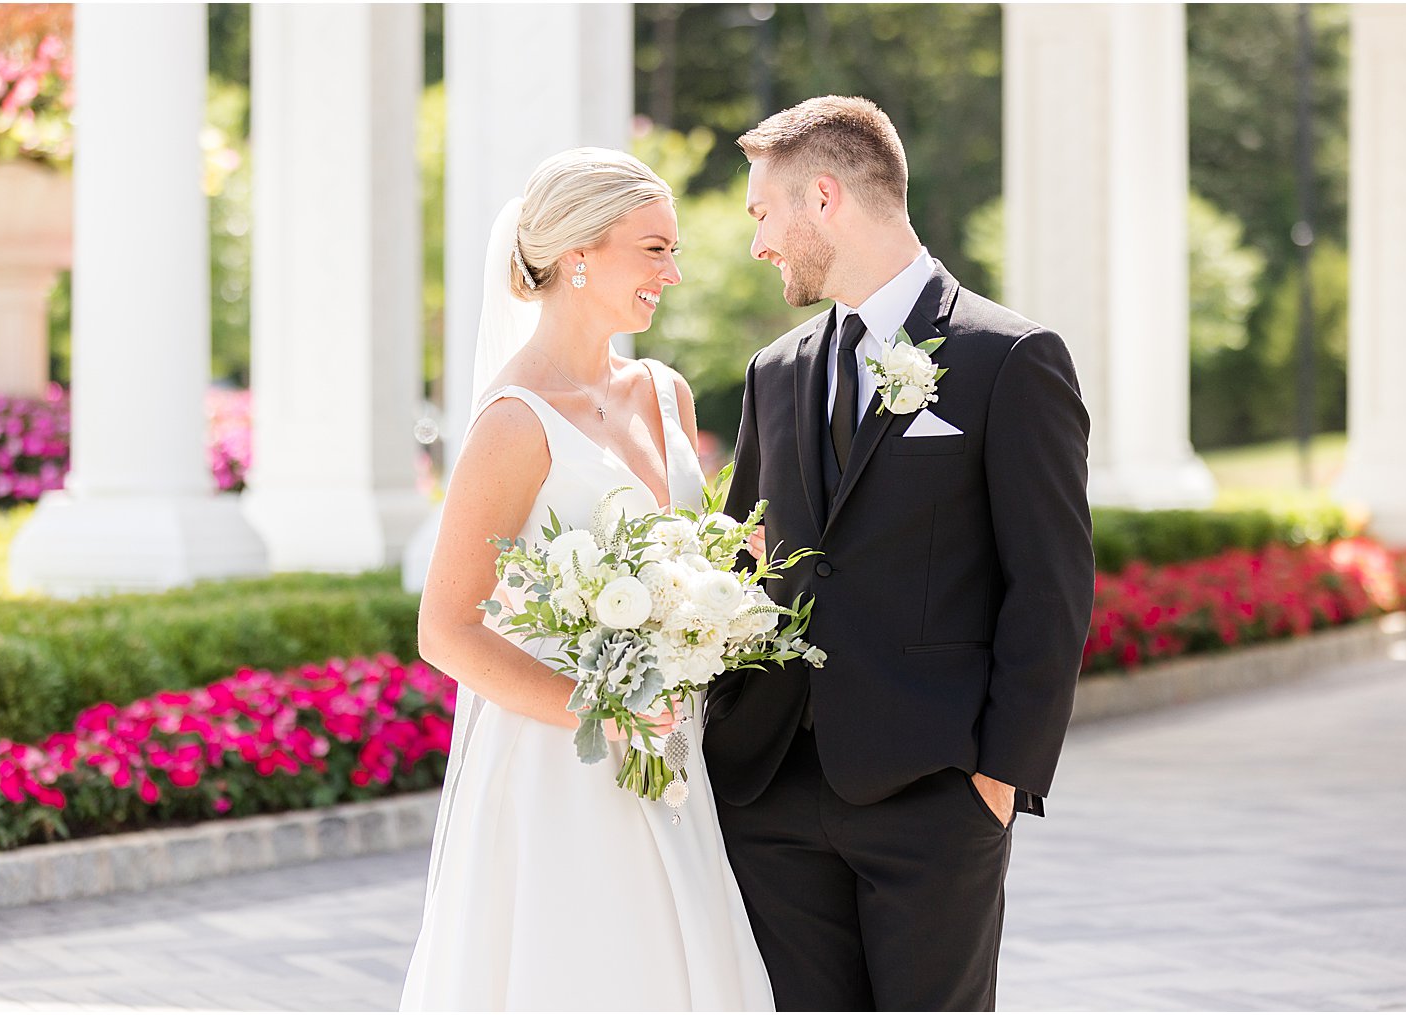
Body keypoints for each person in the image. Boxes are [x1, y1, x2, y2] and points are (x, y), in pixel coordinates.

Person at [704, 96, 1095, 1010]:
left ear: (825, 198)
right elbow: (740, 562)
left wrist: (999, 780)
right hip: (773, 793)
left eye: (764, 212)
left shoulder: (1012, 359)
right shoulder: (777, 370)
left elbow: (1050, 587)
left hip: (934, 790)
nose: (758, 241)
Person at [398, 148, 774, 1011]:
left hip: (674, 748)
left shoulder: (664, 392)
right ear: (577, 254)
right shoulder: (513, 420)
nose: (673, 273)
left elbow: (694, 557)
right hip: (558, 763)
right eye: (654, 250)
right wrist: (602, 709)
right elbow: (446, 627)